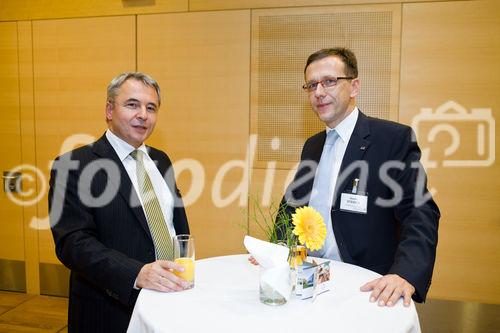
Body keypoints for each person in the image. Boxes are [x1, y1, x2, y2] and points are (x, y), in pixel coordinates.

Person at [279, 48, 440, 307]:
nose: (319, 92)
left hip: (367, 287)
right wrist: (277, 247)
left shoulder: (392, 140)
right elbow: (292, 206)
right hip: (310, 282)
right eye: (311, 85)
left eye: (329, 81)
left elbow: (420, 212)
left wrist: (404, 273)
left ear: (354, 86)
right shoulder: (312, 145)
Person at [49, 72, 191, 332]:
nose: (143, 115)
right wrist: (136, 273)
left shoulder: (161, 160)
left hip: (168, 300)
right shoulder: (74, 166)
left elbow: (174, 224)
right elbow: (72, 243)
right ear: (109, 110)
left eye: (151, 107)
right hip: (110, 309)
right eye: (132, 104)